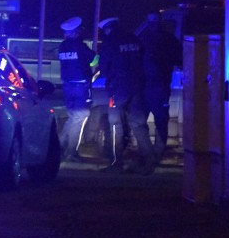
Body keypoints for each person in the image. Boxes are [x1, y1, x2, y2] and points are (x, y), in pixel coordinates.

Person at [96, 17, 155, 174]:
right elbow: (144, 59)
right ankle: (148, 161)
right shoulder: (134, 39)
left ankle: (117, 162)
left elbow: (103, 67)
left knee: (116, 125)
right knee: (138, 124)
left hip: (118, 89)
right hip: (137, 87)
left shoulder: (110, 42)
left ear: (108, 29)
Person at [138, 12, 182, 162]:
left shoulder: (142, 39)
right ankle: (156, 152)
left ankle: (146, 152)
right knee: (161, 121)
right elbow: (181, 61)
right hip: (160, 87)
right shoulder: (170, 40)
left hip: (145, 87)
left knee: (140, 121)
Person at [57, 16, 97, 162]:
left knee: (73, 117)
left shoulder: (63, 46)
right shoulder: (80, 46)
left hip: (67, 86)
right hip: (80, 86)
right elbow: (94, 60)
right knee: (80, 116)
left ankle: (59, 147)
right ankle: (71, 152)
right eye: (79, 30)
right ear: (75, 32)